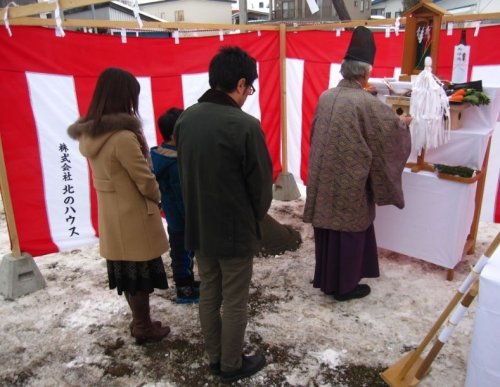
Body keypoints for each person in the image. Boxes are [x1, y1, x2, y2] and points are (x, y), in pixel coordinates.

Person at [174, 46, 273, 383]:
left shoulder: (186, 119)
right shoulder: (244, 125)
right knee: (234, 300)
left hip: (199, 227)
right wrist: (255, 218)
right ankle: (231, 364)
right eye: (250, 89)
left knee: (210, 293)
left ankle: (216, 357)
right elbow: (261, 187)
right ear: (241, 83)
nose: (249, 95)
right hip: (234, 231)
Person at [303, 27, 412, 302]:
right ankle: (345, 286)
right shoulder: (366, 103)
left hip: (325, 175)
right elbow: (389, 133)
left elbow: (315, 132)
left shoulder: (327, 96)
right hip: (350, 180)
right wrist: (404, 125)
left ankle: (328, 280)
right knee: (350, 229)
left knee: (329, 229)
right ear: (365, 73)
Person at [67, 67, 171, 344]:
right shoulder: (123, 137)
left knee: (128, 275)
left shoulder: (91, 134)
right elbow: (144, 180)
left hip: (113, 216)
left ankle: (141, 322)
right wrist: (159, 195)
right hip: (134, 216)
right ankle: (143, 326)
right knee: (139, 276)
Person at [150, 107, 199, 304]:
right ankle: (184, 289)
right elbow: (182, 197)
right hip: (182, 217)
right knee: (182, 252)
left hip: (174, 215)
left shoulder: (160, 155)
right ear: (174, 134)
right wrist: (191, 219)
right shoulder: (174, 163)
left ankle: (187, 281)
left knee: (182, 251)